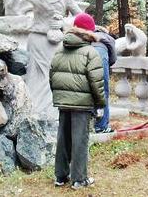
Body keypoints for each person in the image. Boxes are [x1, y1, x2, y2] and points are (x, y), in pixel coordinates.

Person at [8, 0, 81, 118]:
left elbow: (81, 17)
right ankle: (34, 110)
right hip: (37, 40)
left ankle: (53, 111)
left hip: (55, 42)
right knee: (35, 74)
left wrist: (64, 23)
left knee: (54, 74)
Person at [50, 12, 105, 190]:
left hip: (63, 102)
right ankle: (79, 179)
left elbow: (52, 76)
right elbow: (96, 83)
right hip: (82, 104)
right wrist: (100, 104)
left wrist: (59, 95)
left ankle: (60, 176)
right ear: (89, 31)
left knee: (63, 138)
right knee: (80, 140)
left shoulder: (59, 49)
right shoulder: (91, 52)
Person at [92, 24, 117, 133]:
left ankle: (89, 123)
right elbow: (113, 58)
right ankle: (101, 126)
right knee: (103, 92)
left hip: (88, 58)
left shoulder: (88, 36)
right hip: (102, 60)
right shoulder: (108, 38)